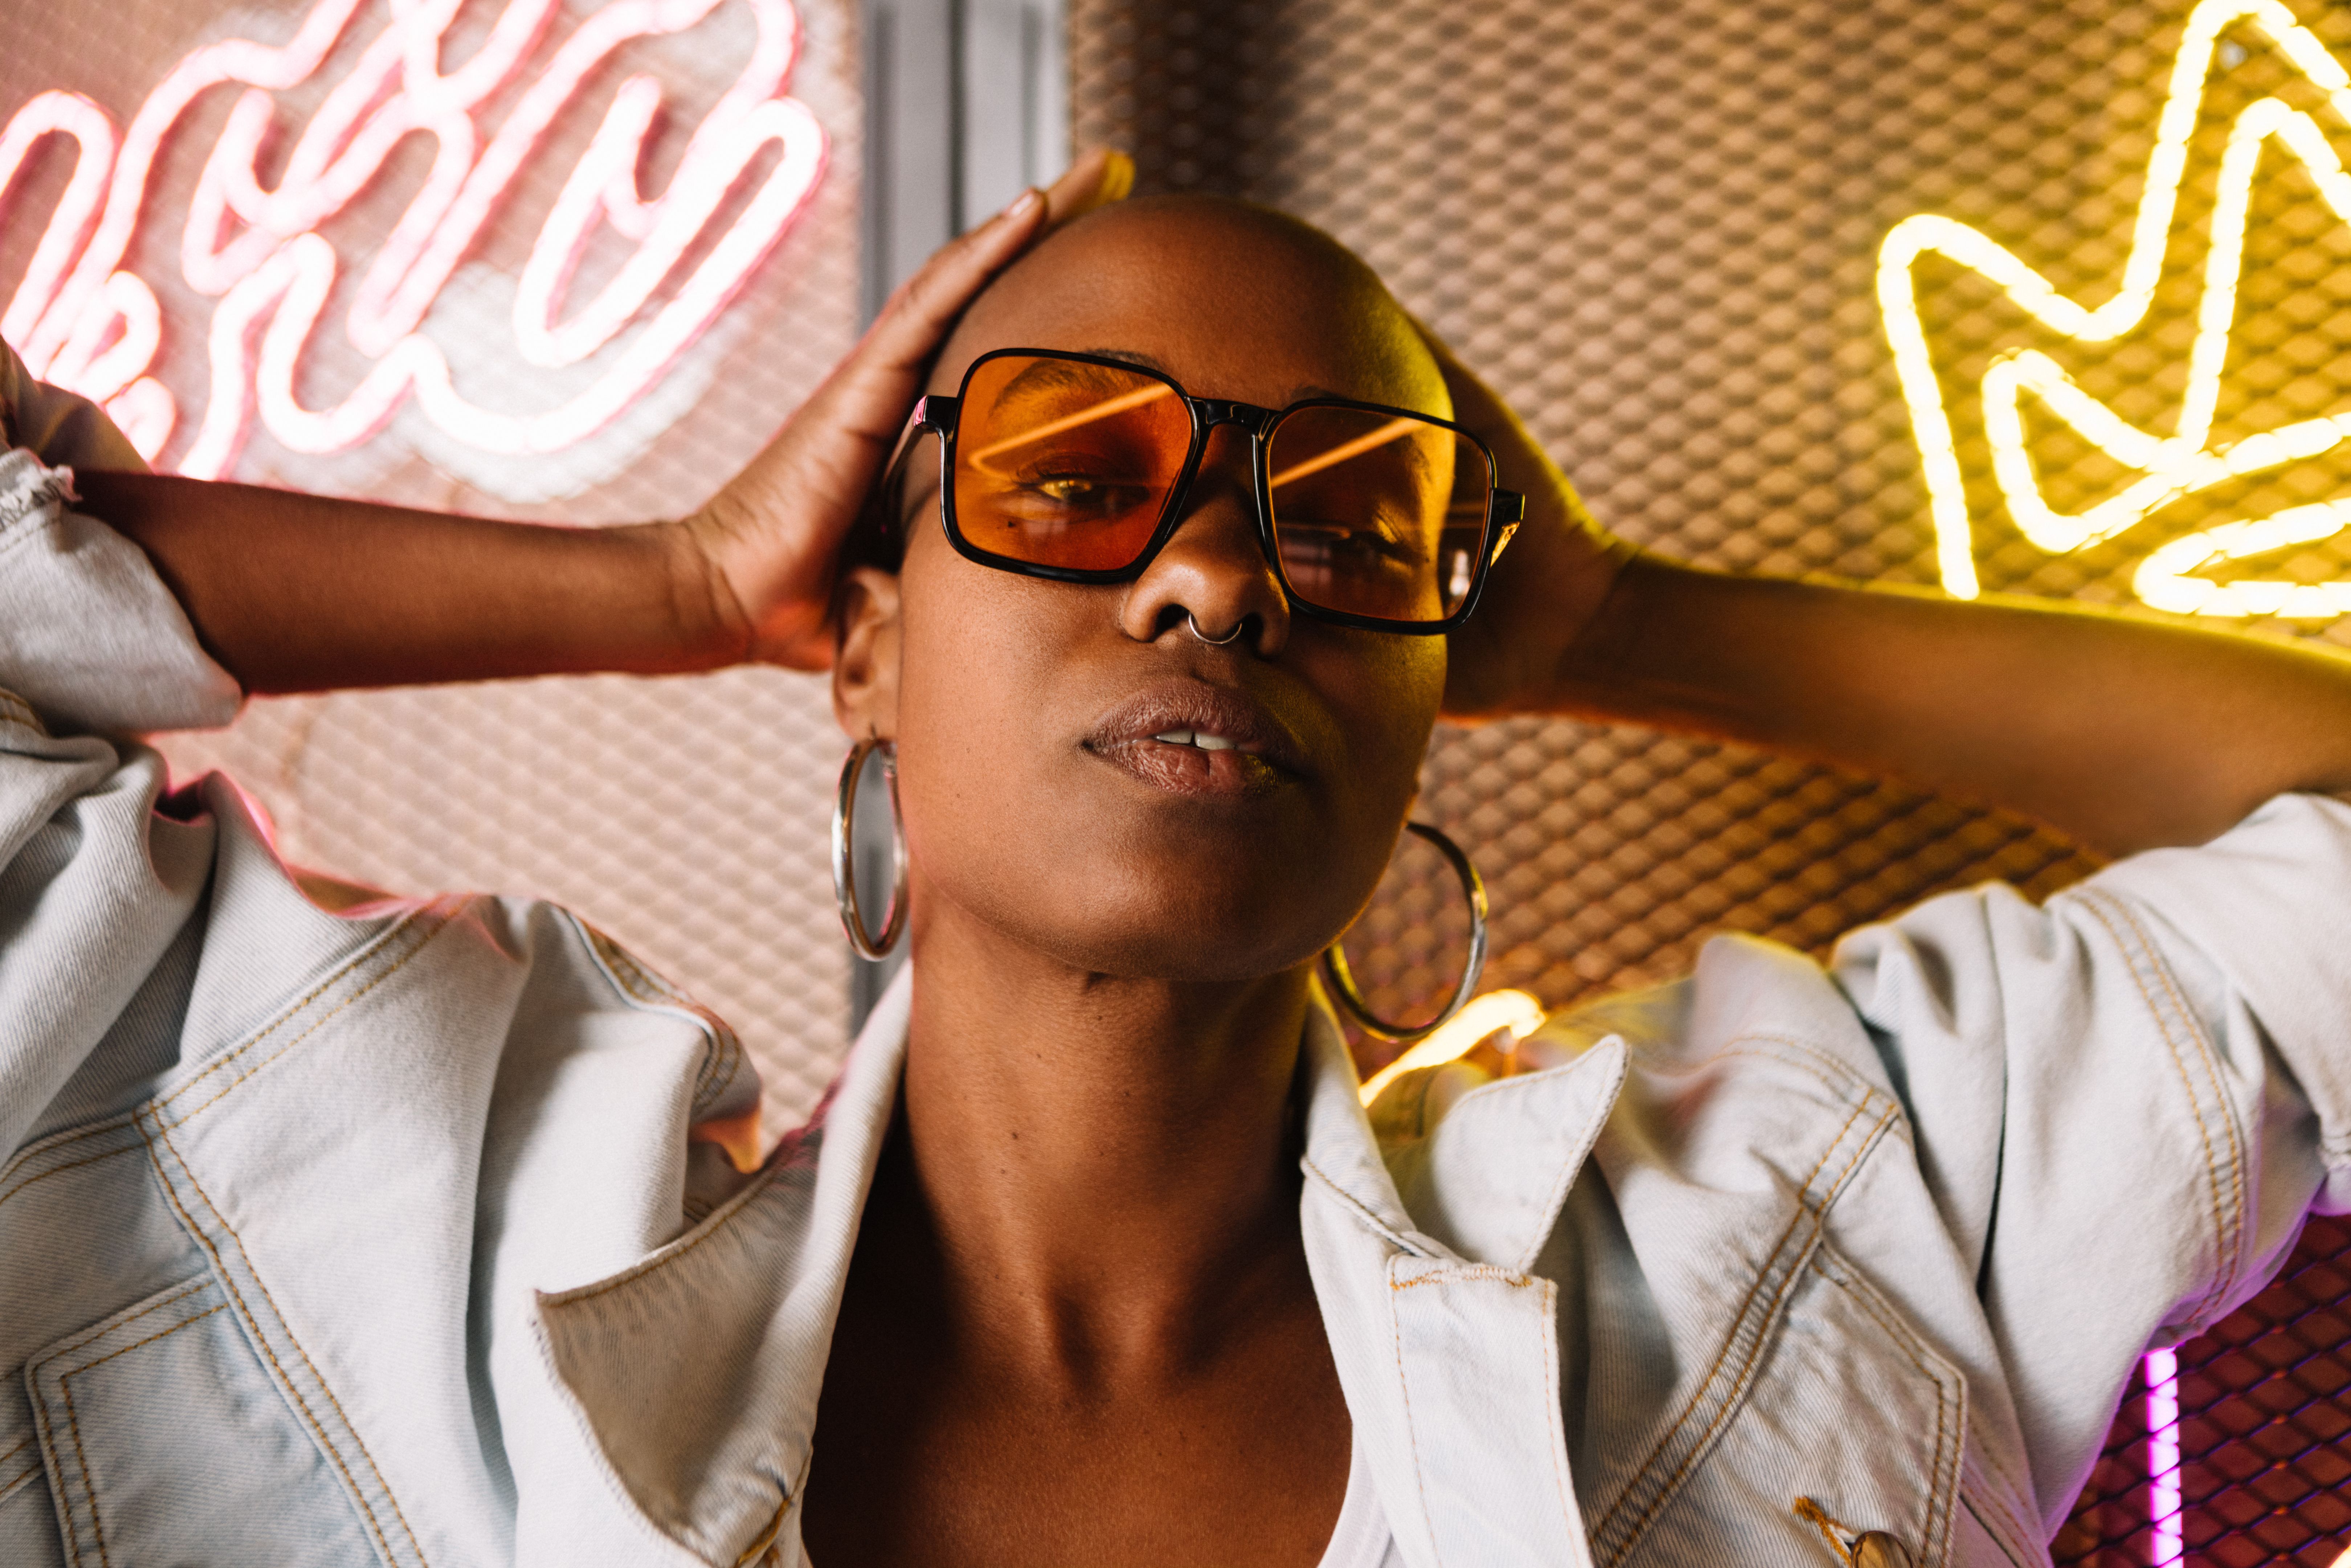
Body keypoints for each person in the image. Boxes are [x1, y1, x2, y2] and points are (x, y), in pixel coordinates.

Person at [4, 146, 2351, 1568]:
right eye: (1074, 474)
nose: (1219, 574)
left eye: (1350, 523)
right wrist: (677, 577)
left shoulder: (1790, 1215)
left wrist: (1621, 619)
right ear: (869, 645)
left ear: (1443, 671)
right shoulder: (384, 1213)